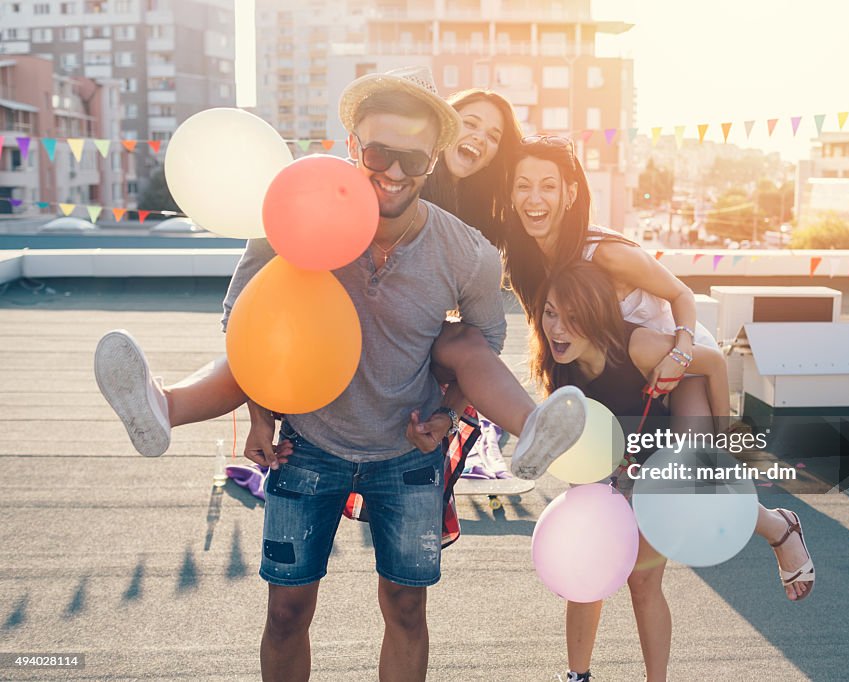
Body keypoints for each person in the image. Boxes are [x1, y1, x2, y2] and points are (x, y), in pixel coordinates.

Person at [93, 79, 577, 480]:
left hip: (420, 346)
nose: (396, 170)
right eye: (471, 123)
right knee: (263, 332)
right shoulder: (326, 189)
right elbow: (243, 307)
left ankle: (531, 426)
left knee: (467, 343)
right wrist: (261, 416)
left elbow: (495, 302)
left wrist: (448, 410)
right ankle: (165, 407)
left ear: (432, 156)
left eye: (494, 137)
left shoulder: (475, 224)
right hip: (318, 336)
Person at [531, 262, 815, 682]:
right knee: (587, 563)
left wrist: (723, 449)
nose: (557, 329)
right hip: (629, 440)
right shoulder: (557, 363)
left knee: (649, 572)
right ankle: (577, 676)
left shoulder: (639, 345)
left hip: (685, 396)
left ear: (595, 316)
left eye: (573, 318)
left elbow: (714, 364)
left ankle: (778, 527)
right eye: (551, 313)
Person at [502, 135, 732, 431]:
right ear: (510, 193)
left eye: (548, 186)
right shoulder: (529, 262)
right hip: (621, 369)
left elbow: (681, 293)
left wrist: (681, 352)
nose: (534, 198)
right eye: (523, 186)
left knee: (691, 461)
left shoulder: (606, 254)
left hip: (679, 354)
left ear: (570, 194)